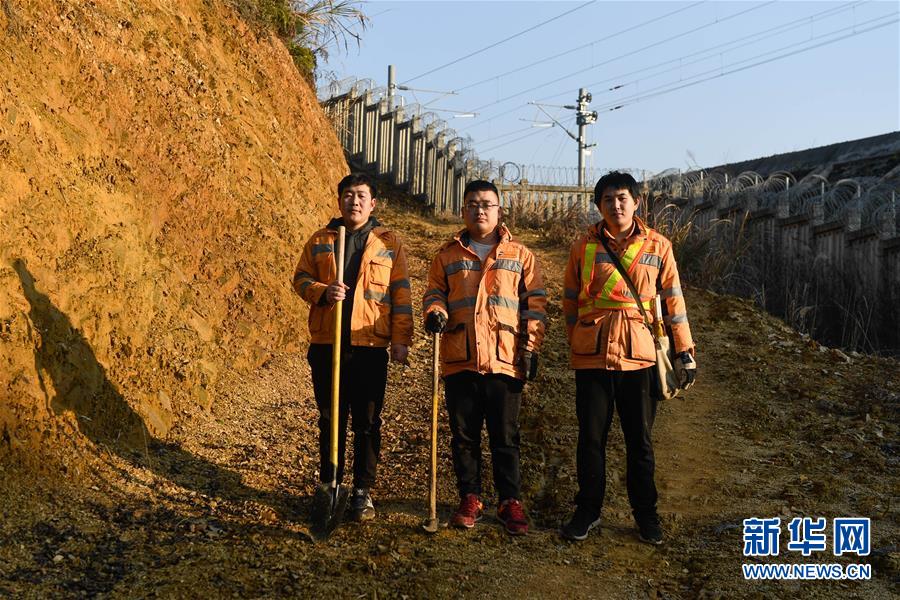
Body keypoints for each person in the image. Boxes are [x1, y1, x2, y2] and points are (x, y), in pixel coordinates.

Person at [559, 171, 696, 543]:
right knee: (590, 440)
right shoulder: (583, 246)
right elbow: (570, 301)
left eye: (622, 198)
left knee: (640, 441)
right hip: (592, 357)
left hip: (640, 357)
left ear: (636, 202)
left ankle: (646, 516)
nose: (615, 205)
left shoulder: (658, 246)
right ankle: (587, 511)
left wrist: (684, 350)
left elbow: (674, 302)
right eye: (607, 199)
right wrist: (578, 337)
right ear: (598, 206)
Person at [422, 179, 547, 536]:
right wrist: (434, 311)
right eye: (473, 204)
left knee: (505, 435)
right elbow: (435, 293)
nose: (480, 210)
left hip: (505, 359)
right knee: (464, 435)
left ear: (499, 210)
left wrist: (532, 347)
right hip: (460, 357)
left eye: (487, 204)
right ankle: (470, 497)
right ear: (463, 210)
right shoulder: (447, 255)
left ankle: (510, 501)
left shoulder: (520, 256)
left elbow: (534, 304)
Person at [292, 173, 413, 522]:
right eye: (348, 195)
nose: (354, 201)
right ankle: (329, 484)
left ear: (373, 203)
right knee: (330, 418)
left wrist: (401, 340)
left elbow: (401, 295)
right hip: (328, 344)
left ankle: (362, 490)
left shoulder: (389, 244)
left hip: (369, 345)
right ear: (339, 200)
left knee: (367, 420)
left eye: (361, 196)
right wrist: (322, 291)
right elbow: (300, 279)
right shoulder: (320, 240)